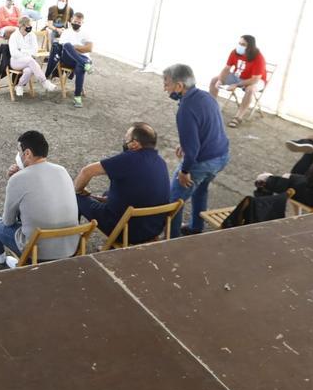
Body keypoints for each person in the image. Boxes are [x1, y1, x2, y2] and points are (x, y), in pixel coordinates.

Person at [0, 131, 80, 265]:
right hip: (70, 247)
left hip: (37, 252)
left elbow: (8, 221)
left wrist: (14, 180)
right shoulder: (62, 170)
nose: (18, 155)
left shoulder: (18, 179)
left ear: (27, 153)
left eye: (19, 151)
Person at [73, 123, 171, 243]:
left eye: (126, 139)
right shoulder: (161, 162)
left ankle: (72, 242)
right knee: (107, 193)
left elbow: (86, 172)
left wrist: (78, 190)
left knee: (75, 198)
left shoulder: (129, 159)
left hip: (125, 230)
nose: (124, 142)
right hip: (153, 228)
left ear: (135, 144)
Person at [164, 64, 230, 235]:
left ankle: (172, 241)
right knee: (200, 190)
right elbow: (208, 127)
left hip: (203, 162)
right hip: (222, 156)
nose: (165, 88)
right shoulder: (207, 97)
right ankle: (196, 227)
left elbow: (192, 152)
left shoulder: (185, 109)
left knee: (173, 202)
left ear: (179, 86)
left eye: (167, 83)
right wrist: (185, 143)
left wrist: (184, 171)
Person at [208, 35, 268, 127]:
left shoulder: (258, 57)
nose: (240, 46)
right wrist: (220, 80)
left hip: (256, 80)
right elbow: (226, 68)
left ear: (250, 46)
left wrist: (236, 85)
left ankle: (238, 117)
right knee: (214, 80)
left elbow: (255, 79)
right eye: (239, 43)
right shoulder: (235, 52)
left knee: (250, 89)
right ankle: (212, 108)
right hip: (238, 76)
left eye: (243, 44)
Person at [44, 12, 93, 108]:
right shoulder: (66, 32)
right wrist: (79, 47)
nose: (77, 23)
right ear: (71, 20)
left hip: (83, 58)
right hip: (68, 59)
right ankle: (85, 64)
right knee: (67, 45)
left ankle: (77, 97)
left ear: (82, 22)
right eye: (75, 21)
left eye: (79, 22)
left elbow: (89, 48)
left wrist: (75, 47)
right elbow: (65, 47)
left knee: (80, 68)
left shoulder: (85, 33)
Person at [8, 16, 58, 96]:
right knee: (30, 60)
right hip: (15, 62)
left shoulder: (32, 35)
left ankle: (19, 86)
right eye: (29, 25)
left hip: (28, 61)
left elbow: (35, 51)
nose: (30, 27)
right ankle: (44, 82)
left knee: (29, 70)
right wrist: (27, 53)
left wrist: (22, 50)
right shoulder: (14, 36)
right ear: (22, 26)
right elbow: (14, 53)